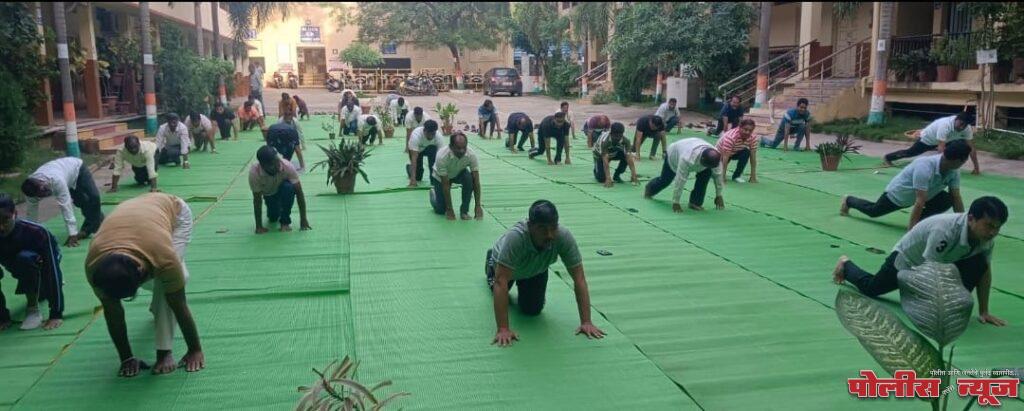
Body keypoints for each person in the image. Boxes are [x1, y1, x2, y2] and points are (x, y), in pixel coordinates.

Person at [833, 196, 1008, 327]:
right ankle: (845, 265)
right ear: (971, 219)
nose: (993, 232)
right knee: (871, 288)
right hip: (907, 260)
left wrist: (984, 311)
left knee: (979, 263)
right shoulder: (944, 231)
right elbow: (929, 270)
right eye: (989, 225)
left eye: (997, 227)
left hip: (947, 260)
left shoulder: (985, 239)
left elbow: (984, 271)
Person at [85, 193, 205, 377]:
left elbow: (178, 302)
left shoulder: (163, 257)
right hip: (136, 215)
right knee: (162, 283)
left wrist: (195, 350)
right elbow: (113, 313)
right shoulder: (95, 268)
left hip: (174, 211)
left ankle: (164, 352)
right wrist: (126, 358)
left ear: (141, 270)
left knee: (166, 286)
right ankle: (158, 310)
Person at [486, 200, 606, 347]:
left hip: (535, 270)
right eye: (542, 229)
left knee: (532, 310)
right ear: (530, 226)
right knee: (496, 287)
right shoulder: (516, 238)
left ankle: (523, 283)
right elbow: (501, 281)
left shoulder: (563, 236)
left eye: (553, 228)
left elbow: (579, 277)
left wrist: (586, 321)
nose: (549, 235)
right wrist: (503, 329)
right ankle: (490, 261)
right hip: (508, 269)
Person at [841, 140, 971, 230]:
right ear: (958, 160)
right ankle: (848, 200)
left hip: (927, 194)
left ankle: (922, 224)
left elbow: (956, 197)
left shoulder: (954, 170)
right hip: (899, 195)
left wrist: (964, 225)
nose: (965, 162)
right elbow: (920, 201)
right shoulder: (924, 167)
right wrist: (911, 230)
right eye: (965, 160)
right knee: (873, 211)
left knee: (947, 199)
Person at [0, 193, 65, 331]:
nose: (1, 227)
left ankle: (32, 308)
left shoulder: (37, 232)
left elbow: (52, 271)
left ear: (15, 214)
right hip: (12, 263)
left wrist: (56, 314)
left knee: (25, 259)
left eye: (5, 220)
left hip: (42, 261)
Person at [22, 157, 104, 247]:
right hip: (66, 177)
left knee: (93, 196)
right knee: (80, 202)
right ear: (35, 195)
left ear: (42, 181)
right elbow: (31, 215)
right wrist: (31, 236)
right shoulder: (30, 192)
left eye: (45, 189)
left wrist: (72, 234)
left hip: (77, 168)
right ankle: (98, 217)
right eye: (42, 194)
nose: (46, 193)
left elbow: (66, 206)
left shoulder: (56, 180)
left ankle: (88, 229)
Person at [644, 138, 725, 213]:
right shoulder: (686, 158)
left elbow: (718, 175)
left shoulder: (715, 157)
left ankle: (695, 202)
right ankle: (649, 189)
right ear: (702, 160)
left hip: (695, 149)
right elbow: (680, 180)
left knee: (705, 175)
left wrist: (719, 195)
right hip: (674, 155)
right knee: (666, 180)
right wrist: (676, 202)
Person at [883, 112, 980, 174]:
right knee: (910, 153)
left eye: (964, 125)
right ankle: (888, 157)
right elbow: (941, 149)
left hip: (946, 140)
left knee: (961, 146)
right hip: (927, 140)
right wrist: (940, 168)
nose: (962, 127)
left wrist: (976, 168)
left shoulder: (967, 129)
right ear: (956, 119)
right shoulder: (945, 125)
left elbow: (971, 148)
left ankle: (951, 165)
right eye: (961, 124)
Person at [249, 146, 312, 233]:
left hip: (283, 190)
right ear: (263, 165)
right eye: (272, 165)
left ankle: (285, 222)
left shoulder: (287, 166)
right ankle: (274, 209)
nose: (277, 166)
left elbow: (299, 193)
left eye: (277, 161)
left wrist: (303, 220)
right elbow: (257, 200)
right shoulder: (254, 173)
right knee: (273, 217)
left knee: (288, 187)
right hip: (269, 195)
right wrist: (259, 226)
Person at [430, 132, 483, 221]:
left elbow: (476, 182)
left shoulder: (471, 155)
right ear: (451, 146)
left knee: (469, 179)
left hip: (458, 173)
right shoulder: (442, 156)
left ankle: (464, 211)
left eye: (464, 148)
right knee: (441, 210)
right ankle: (433, 195)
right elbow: (446, 185)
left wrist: (478, 206)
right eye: (458, 148)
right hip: (440, 177)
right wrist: (449, 209)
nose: (462, 151)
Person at [592, 122, 639, 187]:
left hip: (614, 152)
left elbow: (629, 158)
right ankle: (596, 169)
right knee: (601, 179)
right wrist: (608, 178)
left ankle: (616, 175)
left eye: (620, 136)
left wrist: (633, 174)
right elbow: (605, 161)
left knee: (626, 157)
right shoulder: (605, 141)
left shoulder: (626, 141)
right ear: (611, 133)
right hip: (599, 155)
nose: (618, 138)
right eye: (616, 136)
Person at [716, 119, 759, 184]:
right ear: (739, 128)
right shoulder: (731, 137)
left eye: (750, 130)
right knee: (715, 172)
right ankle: (718, 172)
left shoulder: (753, 137)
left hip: (734, 152)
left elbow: (753, 158)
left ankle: (736, 176)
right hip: (720, 154)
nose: (747, 132)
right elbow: (725, 157)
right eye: (745, 129)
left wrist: (753, 176)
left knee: (746, 152)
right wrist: (723, 177)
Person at [407, 120, 444, 187]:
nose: (431, 137)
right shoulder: (416, 135)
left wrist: (442, 178)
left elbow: (441, 158)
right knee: (418, 177)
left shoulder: (439, 137)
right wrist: (413, 179)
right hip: (416, 151)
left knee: (433, 150)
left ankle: (433, 179)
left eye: (433, 134)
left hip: (429, 150)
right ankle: (409, 168)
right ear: (424, 131)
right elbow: (414, 158)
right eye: (429, 134)